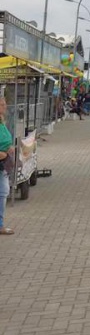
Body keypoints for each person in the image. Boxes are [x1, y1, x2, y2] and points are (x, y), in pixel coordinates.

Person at [0, 97, 16, 235]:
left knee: (3, 192)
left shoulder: (2, 121)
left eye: (5, 104)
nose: (5, 107)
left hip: (3, 163)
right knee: (3, 192)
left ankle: (0, 224)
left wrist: (9, 147)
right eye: (2, 104)